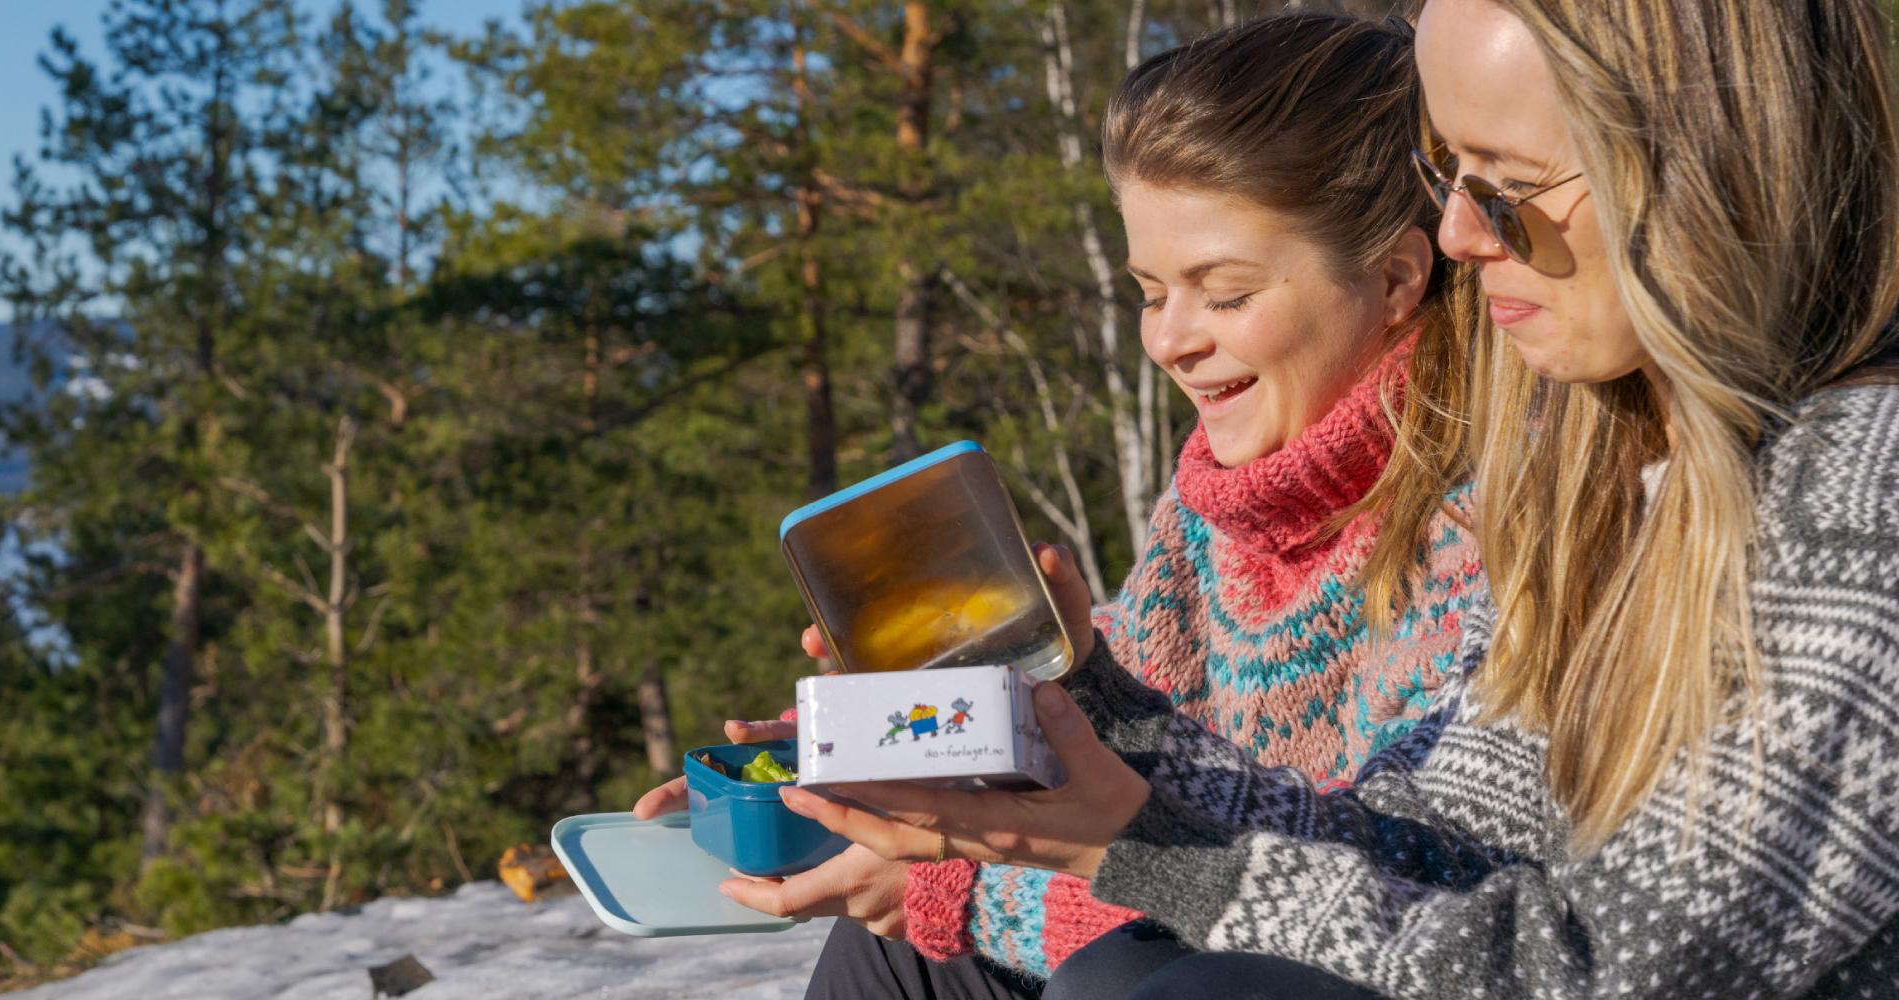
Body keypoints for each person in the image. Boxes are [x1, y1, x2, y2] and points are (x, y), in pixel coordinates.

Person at [780, 0, 1899, 997]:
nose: (1462, 234)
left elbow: (1601, 964)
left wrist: (1074, 854)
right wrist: (1083, 717)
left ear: (1695, 167)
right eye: (1446, 178)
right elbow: (1451, 837)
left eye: (1503, 189)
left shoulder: (1855, 496)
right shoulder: (1625, 464)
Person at [635, 12, 1489, 998]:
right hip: (1209, 929)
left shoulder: (1502, 512)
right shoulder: (1217, 501)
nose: (1168, 339)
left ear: (1392, 276)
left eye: (1221, 293)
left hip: (1376, 964)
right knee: (902, 947)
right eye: (1148, 290)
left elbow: (1406, 905)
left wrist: (965, 886)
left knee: (1075, 964)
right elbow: (1138, 730)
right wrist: (877, 747)